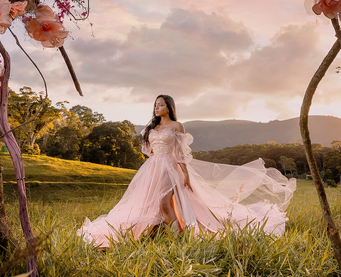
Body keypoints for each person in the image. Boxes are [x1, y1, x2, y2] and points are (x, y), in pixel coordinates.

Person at [78, 95, 296, 249]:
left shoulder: (177, 126)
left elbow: (180, 154)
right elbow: (150, 151)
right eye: (155, 105)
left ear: (169, 107)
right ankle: (158, 235)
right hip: (152, 168)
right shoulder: (151, 129)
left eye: (160, 104)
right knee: (148, 204)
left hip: (169, 168)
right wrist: (152, 166)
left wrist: (186, 176)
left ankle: (173, 237)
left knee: (163, 204)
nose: (156, 108)